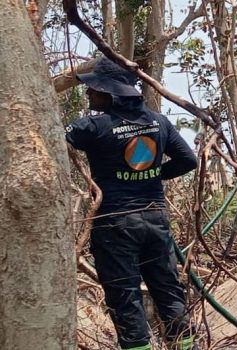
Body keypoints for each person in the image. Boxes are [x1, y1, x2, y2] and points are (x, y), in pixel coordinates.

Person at [66, 57, 198, 350]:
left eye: (94, 89)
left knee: (125, 297)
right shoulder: (158, 121)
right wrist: (152, 176)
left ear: (110, 92)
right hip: (154, 218)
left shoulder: (95, 127)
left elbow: (65, 134)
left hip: (116, 224)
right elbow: (189, 159)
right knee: (168, 291)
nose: (89, 94)